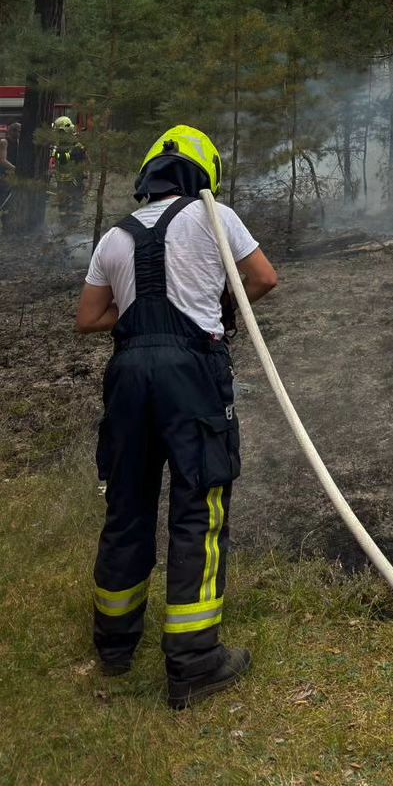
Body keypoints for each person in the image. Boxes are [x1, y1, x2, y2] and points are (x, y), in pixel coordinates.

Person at [75, 125, 278, 707]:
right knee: (199, 506)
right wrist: (207, 304)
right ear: (203, 173)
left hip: (130, 378)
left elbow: (88, 319)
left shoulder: (114, 237)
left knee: (128, 503)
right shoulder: (214, 216)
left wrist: (142, 309)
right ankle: (193, 661)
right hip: (191, 376)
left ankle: (114, 646)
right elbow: (263, 277)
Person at [50, 115, 89, 230]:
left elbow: (77, 157)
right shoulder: (61, 144)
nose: (58, 135)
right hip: (62, 181)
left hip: (74, 180)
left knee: (75, 202)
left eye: (60, 132)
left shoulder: (75, 145)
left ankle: (73, 226)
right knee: (63, 204)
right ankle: (64, 226)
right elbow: (57, 158)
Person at [0, 120, 19, 220]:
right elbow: (2, 160)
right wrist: (16, 169)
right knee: (3, 200)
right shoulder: (4, 142)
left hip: (12, 175)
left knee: (12, 200)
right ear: (12, 131)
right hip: (3, 175)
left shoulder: (18, 142)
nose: (20, 134)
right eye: (18, 131)